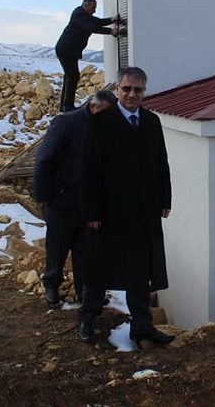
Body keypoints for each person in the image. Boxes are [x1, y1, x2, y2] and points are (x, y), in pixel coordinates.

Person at [77, 66, 174, 348]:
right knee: (99, 268)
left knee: (140, 270)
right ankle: (87, 318)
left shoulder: (151, 122)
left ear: (145, 92)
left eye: (138, 90)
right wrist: (91, 211)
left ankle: (142, 327)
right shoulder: (100, 122)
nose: (132, 94)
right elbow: (88, 170)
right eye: (127, 89)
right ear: (117, 90)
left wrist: (165, 199)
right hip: (108, 213)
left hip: (143, 211)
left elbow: (161, 163)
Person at [33, 89, 117, 306]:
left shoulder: (105, 127)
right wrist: (42, 194)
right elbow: (44, 158)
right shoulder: (66, 123)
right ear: (93, 107)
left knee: (85, 250)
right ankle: (51, 283)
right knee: (57, 246)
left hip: (88, 202)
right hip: (62, 198)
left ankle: (84, 292)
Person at [55, 0, 119, 113]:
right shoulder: (79, 14)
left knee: (69, 76)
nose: (94, 11)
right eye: (93, 8)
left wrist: (111, 20)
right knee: (73, 76)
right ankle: (68, 106)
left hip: (68, 50)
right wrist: (110, 31)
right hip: (66, 50)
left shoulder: (84, 15)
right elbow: (91, 27)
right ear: (86, 5)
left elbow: (97, 21)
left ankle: (64, 105)